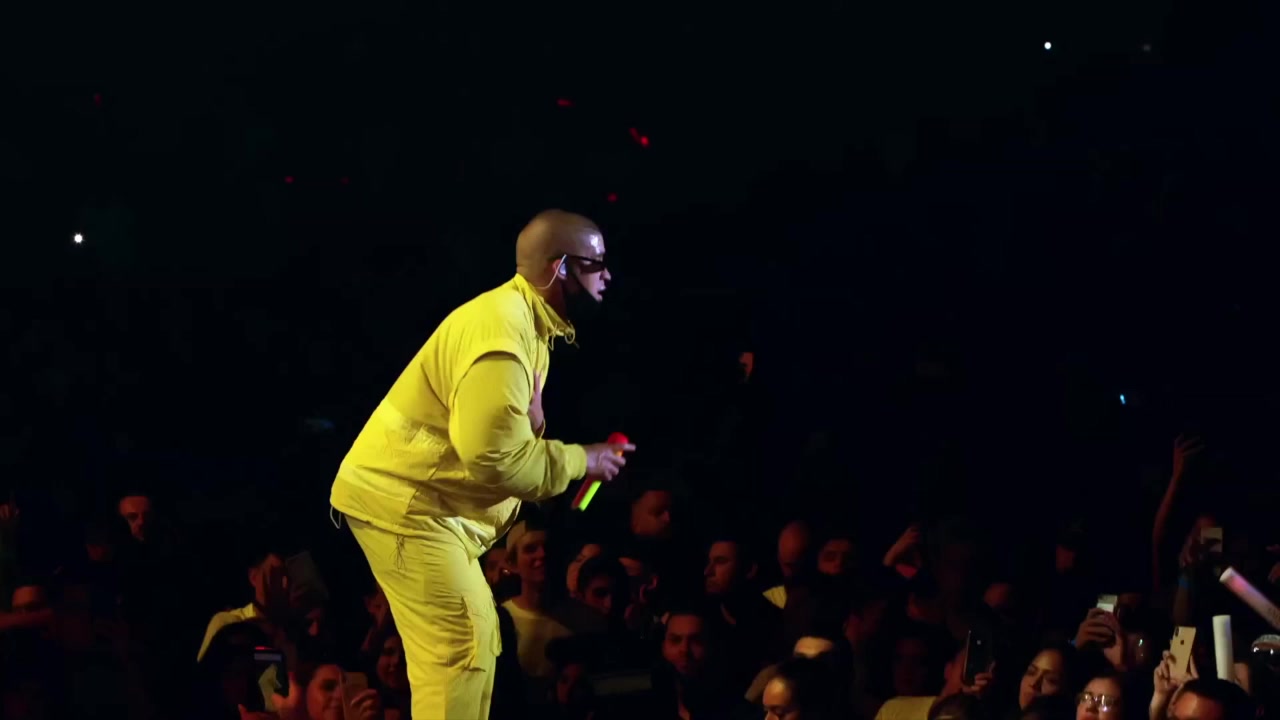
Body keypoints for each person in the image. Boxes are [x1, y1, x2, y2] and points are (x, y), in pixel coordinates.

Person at [329, 210, 635, 720]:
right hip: (407, 504)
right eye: (595, 263)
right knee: (461, 643)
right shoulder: (503, 332)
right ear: (560, 267)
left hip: (421, 506)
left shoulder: (524, 327)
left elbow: (500, 445)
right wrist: (581, 458)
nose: (607, 274)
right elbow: (493, 458)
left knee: (470, 639)